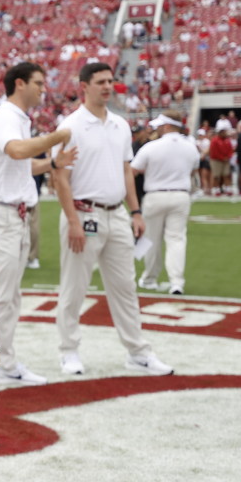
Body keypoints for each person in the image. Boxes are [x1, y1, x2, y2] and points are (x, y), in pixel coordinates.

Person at [50, 62, 173, 376]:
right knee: (75, 287)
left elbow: (126, 172)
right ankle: (69, 351)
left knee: (125, 287)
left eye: (111, 81)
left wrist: (135, 211)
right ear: (84, 87)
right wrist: (73, 220)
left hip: (116, 212)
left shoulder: (121, 124)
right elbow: (60, 178)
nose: (107, 86)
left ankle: (137, 352)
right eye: (101, 82)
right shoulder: (71, 126)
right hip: (83, 212)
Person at [0, 61, 76, 387]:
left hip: (13, 213)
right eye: (38, 83)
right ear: (20, 84)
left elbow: (19, 165)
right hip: (2, 214)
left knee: (9, 295)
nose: (43, 89)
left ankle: (5, 360)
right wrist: (55, 138)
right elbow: (15, 151)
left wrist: (54, 162)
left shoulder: (15, 118)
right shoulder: (6, 116)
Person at [132, 111, 198, 295]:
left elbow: (133, 171)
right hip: (180, 195)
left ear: (167, 126)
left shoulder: (151, 147)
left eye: (160, 126)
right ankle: (176, 282)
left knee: (151, 239)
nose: (157, 129)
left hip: (155, 195)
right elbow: (193, 170)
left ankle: (150, 278)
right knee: (176, 239)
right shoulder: (190, 147)